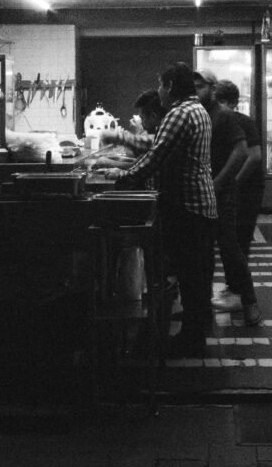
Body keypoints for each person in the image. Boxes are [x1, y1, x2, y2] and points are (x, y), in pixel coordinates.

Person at [101, 62, 217, 358]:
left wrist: (123, 176)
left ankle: (191, 340)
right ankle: (197, 333)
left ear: (171, 87)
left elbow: (156, 157)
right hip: (200, 202)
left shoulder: (179, 113)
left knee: (189, 274)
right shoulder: (198, 110)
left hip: (188, 205)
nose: (160, 91)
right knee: (196, 274)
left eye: (161, 85)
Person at [193, 69, 261, 326]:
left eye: (200, 86)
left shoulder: (225, 116)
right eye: (193, 87)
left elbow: (246, 153)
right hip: (203, 193)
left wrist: (221, 183)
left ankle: (250, 301)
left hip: (222, 195)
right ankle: (202, 307)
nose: (196, 91)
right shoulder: (198, 115)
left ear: (211, 88)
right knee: (205, 251)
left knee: (230, 248)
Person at [213, 79, 264, 266]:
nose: (219, 106)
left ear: (233, 103)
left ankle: (241, 287)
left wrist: (233, 182)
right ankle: (234, 284)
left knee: (239, 239)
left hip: (248, 189)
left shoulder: (242, 121)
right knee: (228, 238)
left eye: (221, 101)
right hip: (232, 188)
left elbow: (254, 156)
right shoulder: (218, 121)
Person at [96, 89, 166, 178]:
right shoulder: (160, 131)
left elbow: (138, 166)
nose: (141, 122)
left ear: (153, 116)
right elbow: (140, 160)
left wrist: (119, 137)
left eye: (142, 118)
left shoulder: (163, 133)